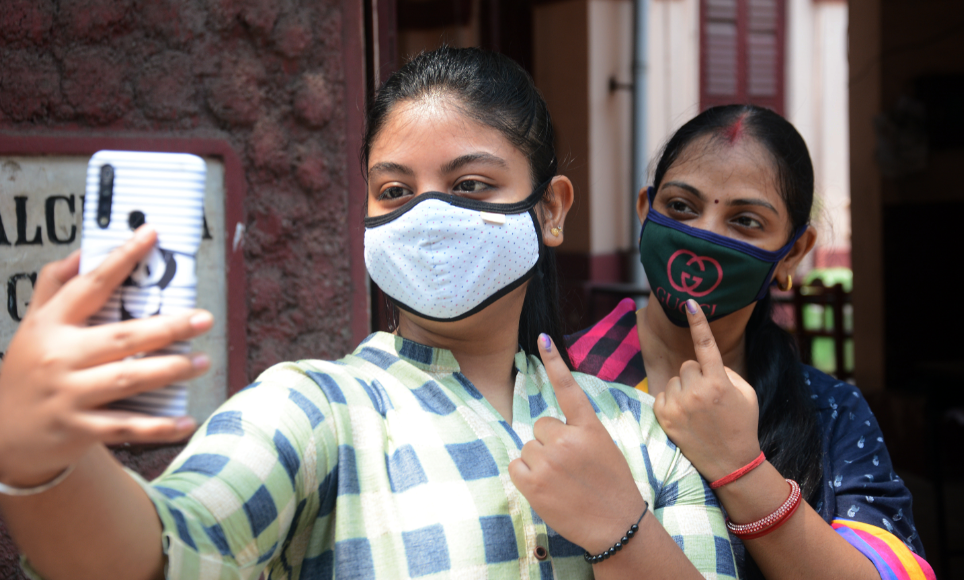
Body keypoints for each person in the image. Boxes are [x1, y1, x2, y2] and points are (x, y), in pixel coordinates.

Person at [0, 47, 738, 580]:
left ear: (550, 210)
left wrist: (622, 530)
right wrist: (41, 463)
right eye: (394, 191)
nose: (427, 215)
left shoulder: (644, 434)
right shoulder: (314, 408)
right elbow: (163, 551)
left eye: (471, 185)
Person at [566, 104, 936, 580]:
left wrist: (740, 467)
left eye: (745, 221)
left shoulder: (831, 413)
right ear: (645, 211)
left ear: (794, 253)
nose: (702, 236)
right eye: (681, 207)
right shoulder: (560, 375)